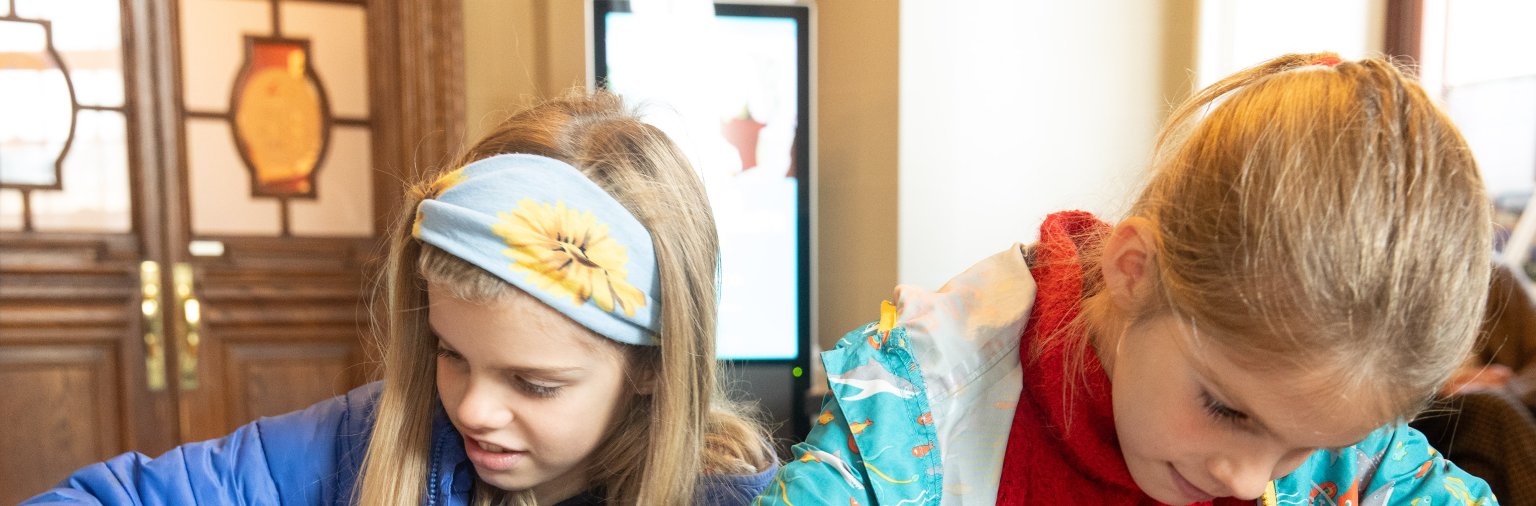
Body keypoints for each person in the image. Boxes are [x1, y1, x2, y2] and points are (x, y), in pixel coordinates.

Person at [755, 53, 1501, 505]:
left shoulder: (1341, 437)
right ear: (1133, 271)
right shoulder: (911, 411)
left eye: (1303, 448)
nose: (1246, 479)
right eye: (1227, 411)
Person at [25, 91, 777, 506]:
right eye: (451, 353)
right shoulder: (363, 438)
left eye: (533, 382)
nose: (474, 408)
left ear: (653, 364)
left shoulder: (741, 495)